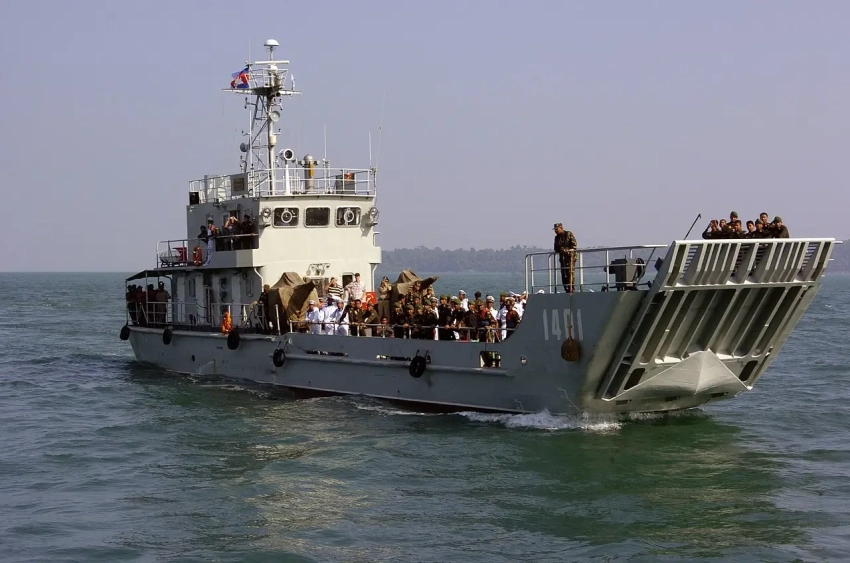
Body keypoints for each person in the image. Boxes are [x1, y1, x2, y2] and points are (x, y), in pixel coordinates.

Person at [553, 223, 578, 293]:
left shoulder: (568, 234)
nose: (556, 231)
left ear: (561, 228)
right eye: (555, 230)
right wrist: (561, 250)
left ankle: (571, 288)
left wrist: (568, 250)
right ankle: (566, 288)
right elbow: (556, 248)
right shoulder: (557, 238)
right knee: (563, 273)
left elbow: (574, 245)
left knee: (570, 272)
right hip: (562, 258)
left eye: (557, 229)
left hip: (570, 257)